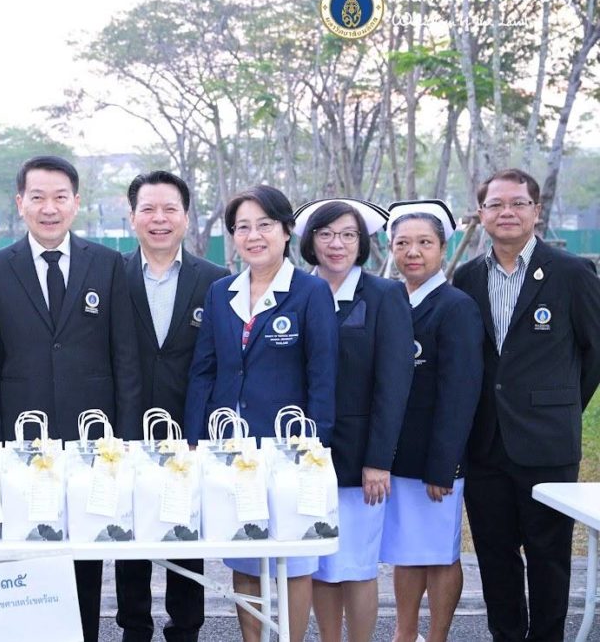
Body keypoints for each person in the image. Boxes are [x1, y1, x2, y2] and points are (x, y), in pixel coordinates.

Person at [0, 155, 140, 642]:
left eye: (59, 197)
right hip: (20, 444)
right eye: (38, 197)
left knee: (84, 557)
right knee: (25, 558)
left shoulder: (107, 264)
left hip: (92, 444)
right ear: (20, 203)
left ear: (76, 203)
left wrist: (126, 440)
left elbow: (125, 359)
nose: (49, 208)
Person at [185, 185, 338, 642]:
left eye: (264, 225)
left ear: (287, 231)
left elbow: (323, 375)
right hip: (231, 450)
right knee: (246, 555)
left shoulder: (310, 292)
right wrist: (195, 440)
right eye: (242, 227)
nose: (253, 236)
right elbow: (204, 369)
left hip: (290, 450)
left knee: (294, 558)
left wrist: (315, 448)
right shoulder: (220, 293)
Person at [453, 168, 600, 642]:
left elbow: (594, 352)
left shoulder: (572, 273)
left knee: (548, 554)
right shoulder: (468, 277)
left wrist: (561, 405)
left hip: (547, 442)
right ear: (481, 214)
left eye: (518, 203)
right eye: (496, 204)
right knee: (494, 555)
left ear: (536, 211)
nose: (507, 212)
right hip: (485, 441)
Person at [293, 199, 414, 642]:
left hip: (360, 456)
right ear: (310, 241)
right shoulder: (295, 292)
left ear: (361, 242)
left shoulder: (384, 295)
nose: (337, 244)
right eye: (326, 234)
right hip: (305, 454)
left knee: (357, 565)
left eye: (348, 235)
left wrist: (379, 459)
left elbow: (393, 385)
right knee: (320, 565)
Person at [115, 170, 228, 642]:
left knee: (186, 530)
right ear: (133, 217)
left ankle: (186, 627)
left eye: (169, 209)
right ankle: (134, 626)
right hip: (124, 425)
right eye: (148, 209)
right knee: (129, 532)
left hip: (189, 425)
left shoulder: (216, 281)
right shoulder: (111, 273)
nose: (159, 219)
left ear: (186, 216)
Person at [380, 200, 484, 642]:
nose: (413, 252)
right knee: (407, 550)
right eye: (403, 243)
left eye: (424, 242)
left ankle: (437, 636)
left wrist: (444, 465)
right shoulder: (390, 300)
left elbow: (460, 393)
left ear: (443, 248)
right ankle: (405, 634)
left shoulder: (455, 307)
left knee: (440, 553)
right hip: (397, 454)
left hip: (435, 459)